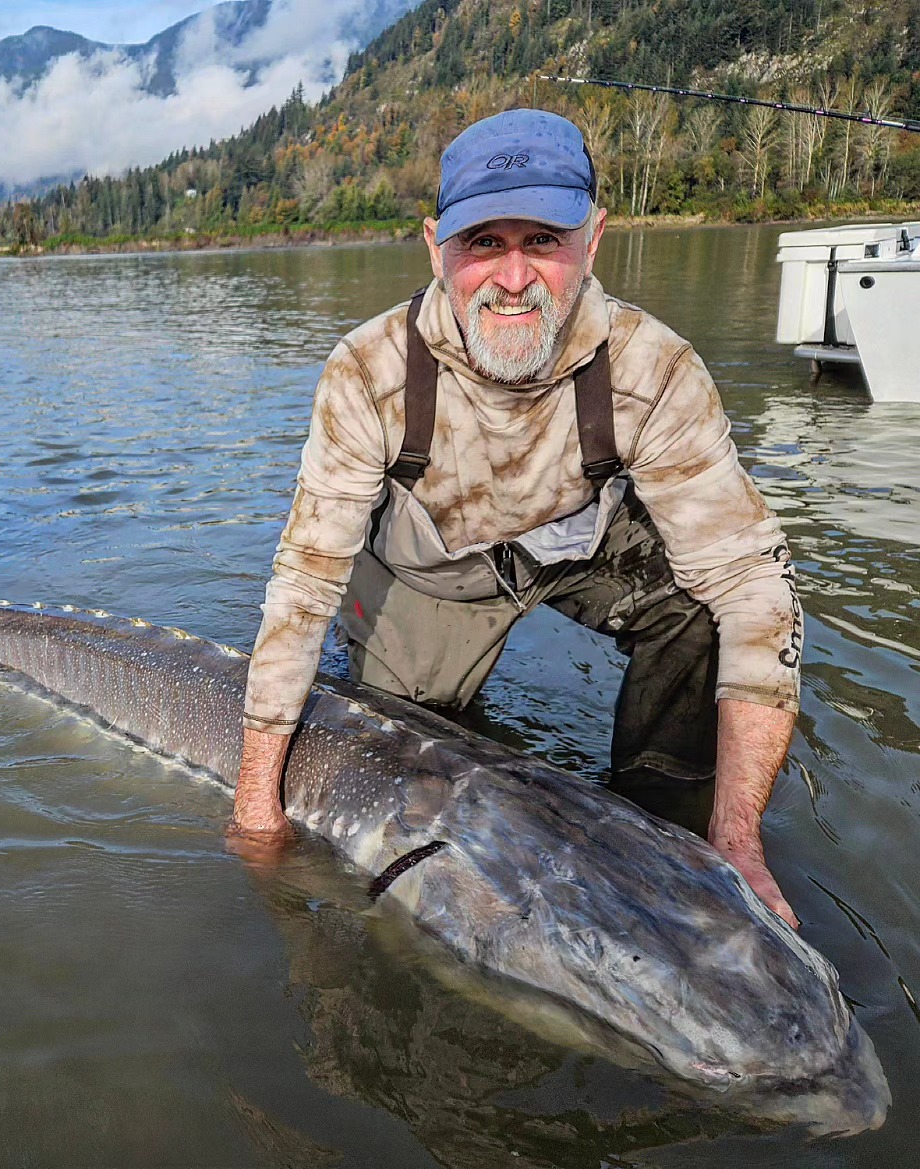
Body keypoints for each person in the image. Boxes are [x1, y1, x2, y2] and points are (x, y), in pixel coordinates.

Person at [231, 109, 805, 928]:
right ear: (436, 247)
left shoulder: (655, 369)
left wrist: (739, 841)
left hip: (573, 555)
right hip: (431, 577)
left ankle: (670, 832)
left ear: (593, 239)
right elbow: (303, 584)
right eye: (483, 244)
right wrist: (257, 805)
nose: (512, 277)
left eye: (542, 239)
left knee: (712, 599)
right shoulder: (369, 370)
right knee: (405, 769)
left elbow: (755, 588)